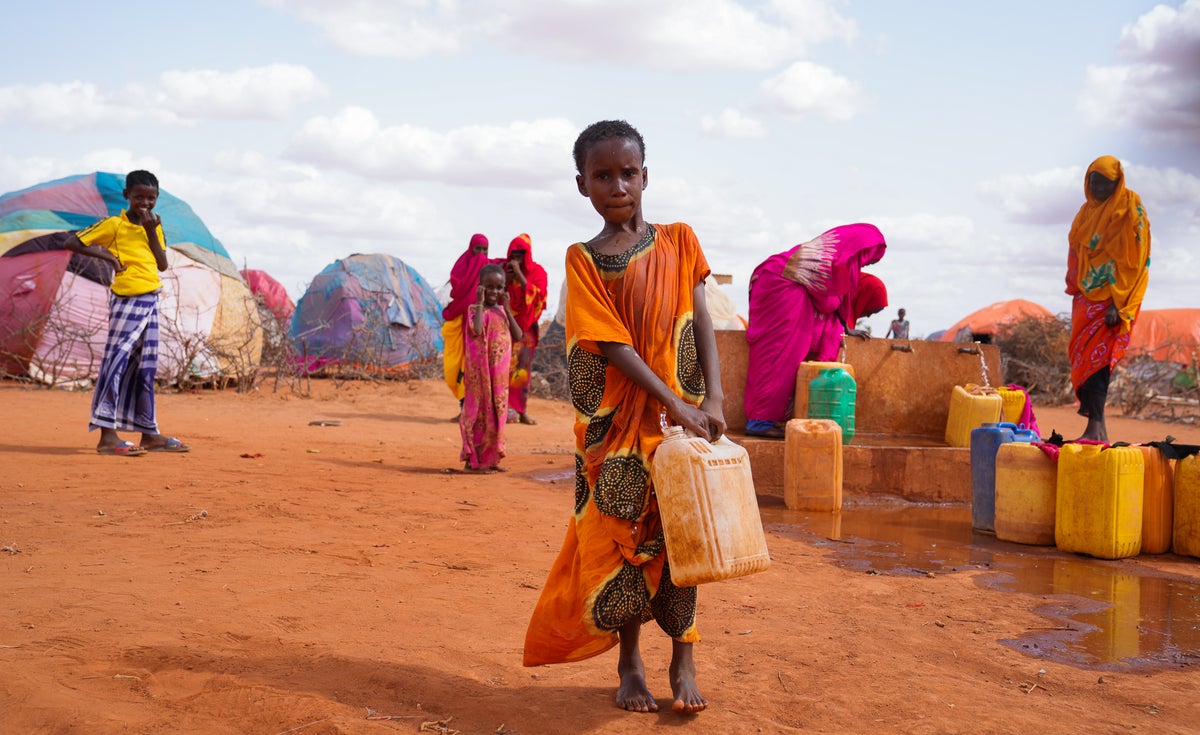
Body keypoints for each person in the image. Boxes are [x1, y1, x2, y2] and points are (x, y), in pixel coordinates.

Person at [523, 119, 725, 715]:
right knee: (624, 538)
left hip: (683, 417)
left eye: (628, 173)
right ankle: (630, 661)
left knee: (684, 533)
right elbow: (611, 345)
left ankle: (683, 657)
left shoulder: (681, 241)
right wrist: (677, 405)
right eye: (603, 175)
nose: (618, 185)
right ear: (582, 185)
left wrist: (711, 398)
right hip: (618, 426)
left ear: (646, 176)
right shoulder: (583, 259)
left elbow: (702, 320)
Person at [63, 170, 189, 456]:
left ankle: (149, 433)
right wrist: (107, 256)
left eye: (151, 198)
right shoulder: (114, 225)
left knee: (145, 367)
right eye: (139, 197)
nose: (145, 203)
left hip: (150, 299)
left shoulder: (154, 224)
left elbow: (162, 264)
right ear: (127, 197)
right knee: (116, 362)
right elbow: (72, 242)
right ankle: (107, 437)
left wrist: (149, 231)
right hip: (126, 300)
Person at [743, 224, 888, 438]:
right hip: (781, 287)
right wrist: (838, 321)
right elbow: (827, 303)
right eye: (871, 259)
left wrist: (845, 325)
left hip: (773, 279)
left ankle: (763, 418)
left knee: (780, 355)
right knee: (779, 355)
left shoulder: (830, 256)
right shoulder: (828, 263)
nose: (869, 264)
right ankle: (760, 421)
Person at [1066, 155, 1150, 442]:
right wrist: (1075, 286)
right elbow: (1076, 250)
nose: (1099, 187)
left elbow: (1134, 261)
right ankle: (1098, 430)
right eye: (1094, 181)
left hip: (1112, 300)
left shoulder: (1129, 208)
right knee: (1081, 358)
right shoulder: (1086, 212)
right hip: (1086, 298)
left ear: (1117, 182)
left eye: (1106, 182)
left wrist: (1118, 302)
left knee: (1098, 362)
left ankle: (1094, 427)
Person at [458, 263, 522, 472]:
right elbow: (477, 329)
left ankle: (492, 458)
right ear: (480, 287)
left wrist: (509, 310)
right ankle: (473, 459)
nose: (494, 292)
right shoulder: (475, 310)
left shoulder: (503, 311)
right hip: (480, 374)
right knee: (477, 414)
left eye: (499, 287)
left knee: (497, 413)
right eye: (489, 287)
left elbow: (518, 335)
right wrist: (478, 302)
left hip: (499, 377)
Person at [441, 234, 491, 418]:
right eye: (478, 249)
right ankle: (464, 408)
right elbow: (456, 290)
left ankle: (470, 411)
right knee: (455, 368)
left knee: (473, 370)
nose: (481, 254)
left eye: (485, 250)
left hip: (479, 328)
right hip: (458, 324)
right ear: (471, 249)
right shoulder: (461, 268)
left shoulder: (490, 271)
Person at [503, 233, 548, 425]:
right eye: (514, 253)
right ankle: (501, 408)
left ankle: (520, 410)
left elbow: (539, 298)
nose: (517, 257)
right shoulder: (503, 270)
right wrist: (507, 277)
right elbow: (495, 294)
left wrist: (520, 276)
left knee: (522, 372)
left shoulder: (538, 272)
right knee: (502, 369)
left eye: (522, 253)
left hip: (526, 331)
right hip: (504, 328)